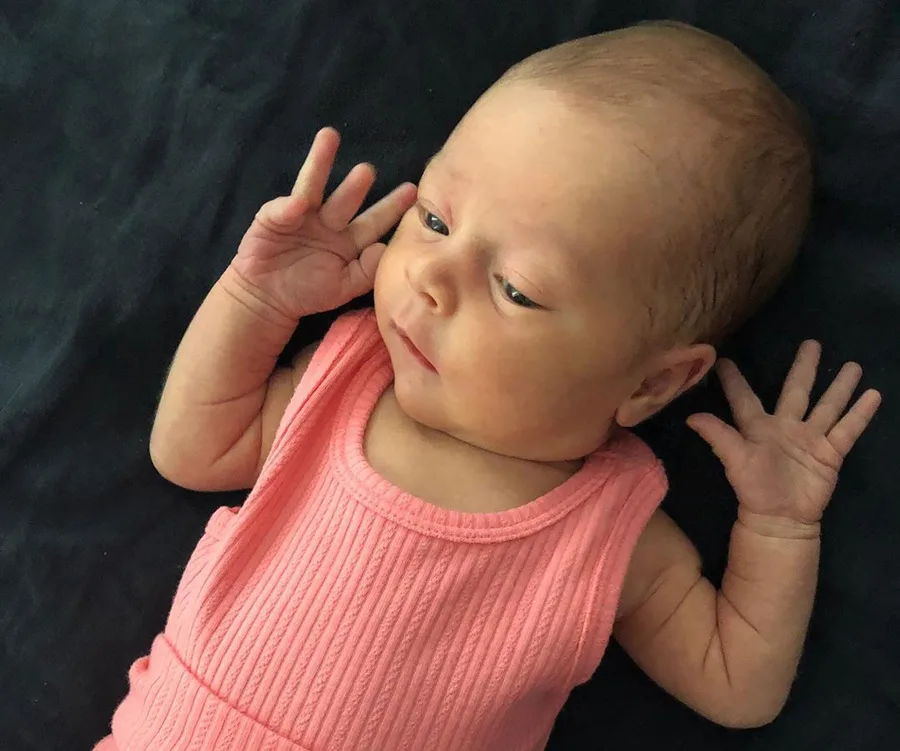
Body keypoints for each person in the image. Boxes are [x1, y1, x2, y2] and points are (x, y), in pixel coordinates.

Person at [96, 20, 881, 751]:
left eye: (514, 287)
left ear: (655, 383)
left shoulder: (606, 533)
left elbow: (739, 684)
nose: (432, 276)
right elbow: (191, 450)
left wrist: (779, 526)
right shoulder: (344, 379)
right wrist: (255, 300)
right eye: (436, 219)